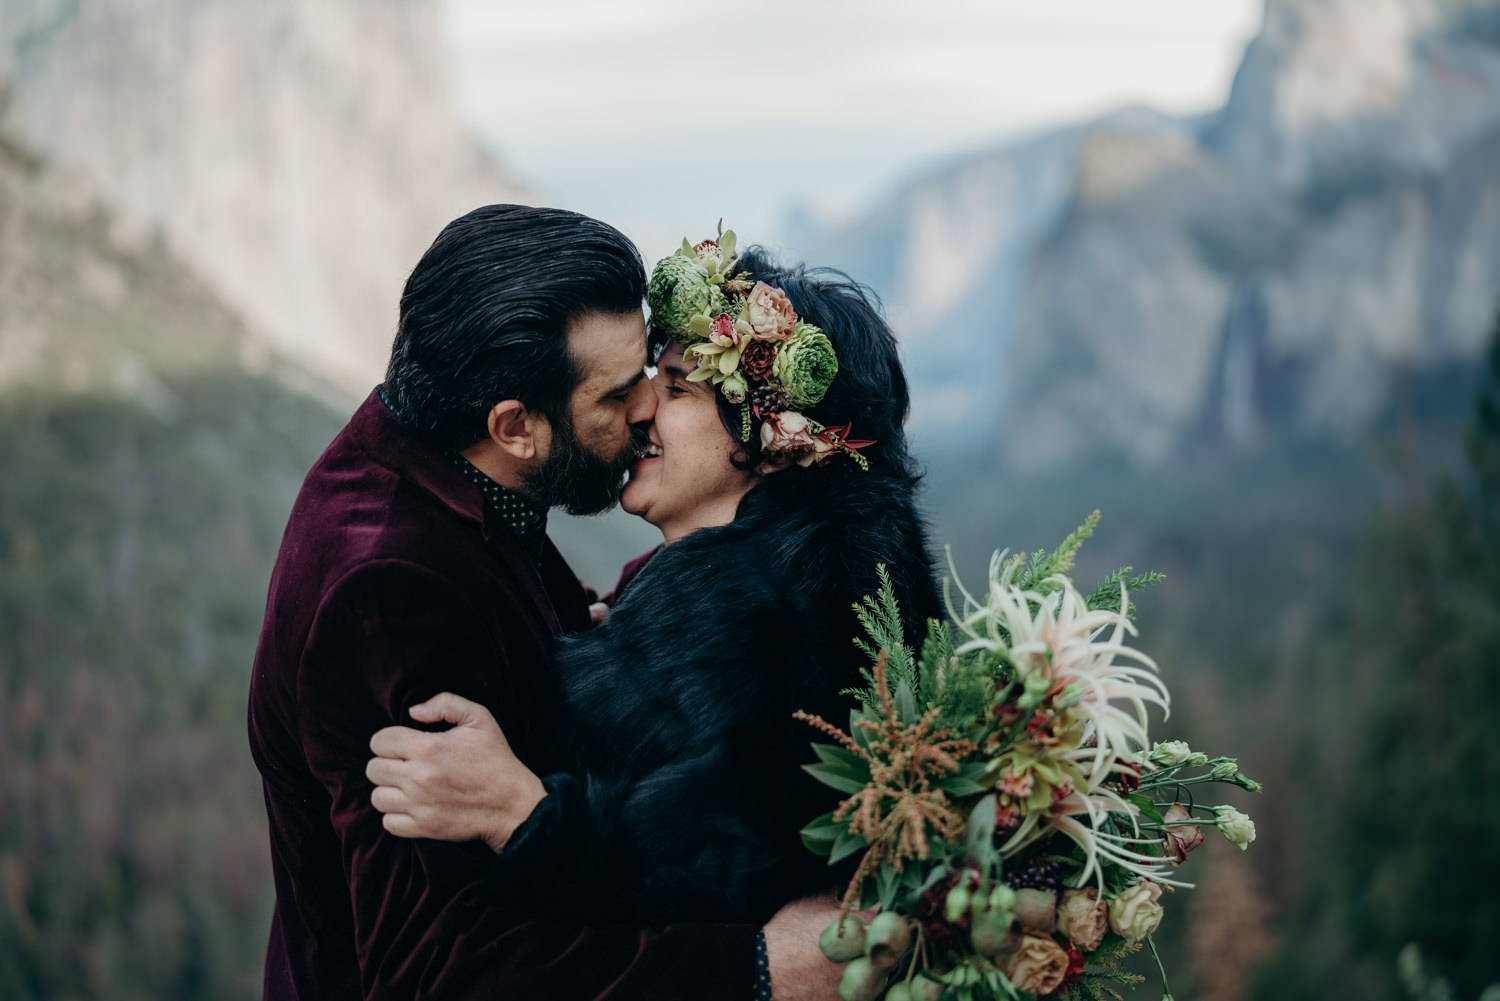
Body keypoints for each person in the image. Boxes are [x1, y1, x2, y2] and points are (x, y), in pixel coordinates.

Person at [248, 205, 845, 1001]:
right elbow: (436, 969)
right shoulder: (387, 591)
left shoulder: (443, 454)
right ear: (515, 426)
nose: (646, 409)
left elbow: (505, 624)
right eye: (619, 393)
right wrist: (763, 969)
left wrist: (608, 637)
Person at [364, 236, 942, 946]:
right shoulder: (830, 589)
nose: (640, 408)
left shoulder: (756, 631)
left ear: (772, 439)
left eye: (675, 388)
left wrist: (521, 814)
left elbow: (711, 910)